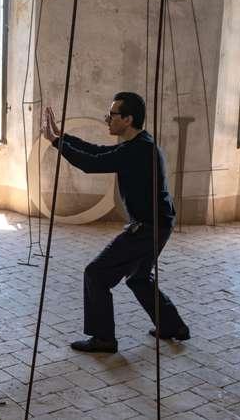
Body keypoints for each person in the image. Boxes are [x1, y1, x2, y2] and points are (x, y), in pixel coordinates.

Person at [41, 92, 190, 353]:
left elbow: (91, 163)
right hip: (158, 224)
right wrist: (61, 137)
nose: (107, 119)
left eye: (112, 115)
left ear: (128, 119)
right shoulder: (137, 145)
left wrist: (55, 142)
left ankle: (104, 339)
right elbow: (97, 151)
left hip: (148, 228)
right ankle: (173, 326)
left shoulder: (138, 150)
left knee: (96, 274)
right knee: (139, 278)